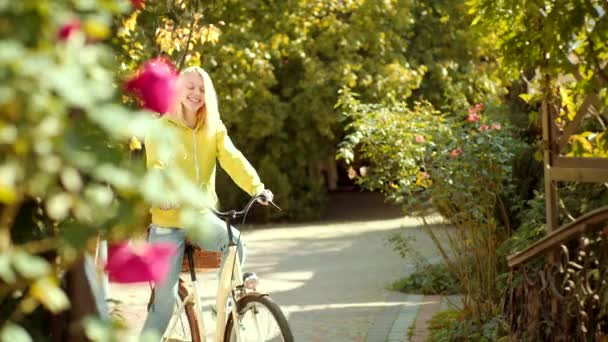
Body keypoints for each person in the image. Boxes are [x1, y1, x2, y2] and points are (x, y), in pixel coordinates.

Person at [141, 66, 273, 336]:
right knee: (163, 305)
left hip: (200, 216)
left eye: (202, 89)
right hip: (167, 222)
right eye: (189, 87)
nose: (196, 93)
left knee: (235, 242)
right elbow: (157, 166)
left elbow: (232, 158)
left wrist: (256, 187)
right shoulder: (160, 128)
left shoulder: (213, 128)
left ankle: (222, 305)